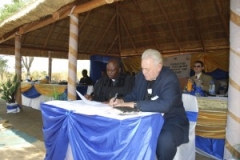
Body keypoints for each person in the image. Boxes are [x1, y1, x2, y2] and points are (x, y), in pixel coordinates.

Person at [109, 49, 189, 160]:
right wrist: (121, 101)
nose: (143, 72)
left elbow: (165, 105)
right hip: (146, 120)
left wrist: (135, 104)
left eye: (147, 69)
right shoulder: (140, 77)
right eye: (142, 68)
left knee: (165, 140)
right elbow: (133, 96)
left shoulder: (169, 79)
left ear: (159, 67)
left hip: (171, 120)